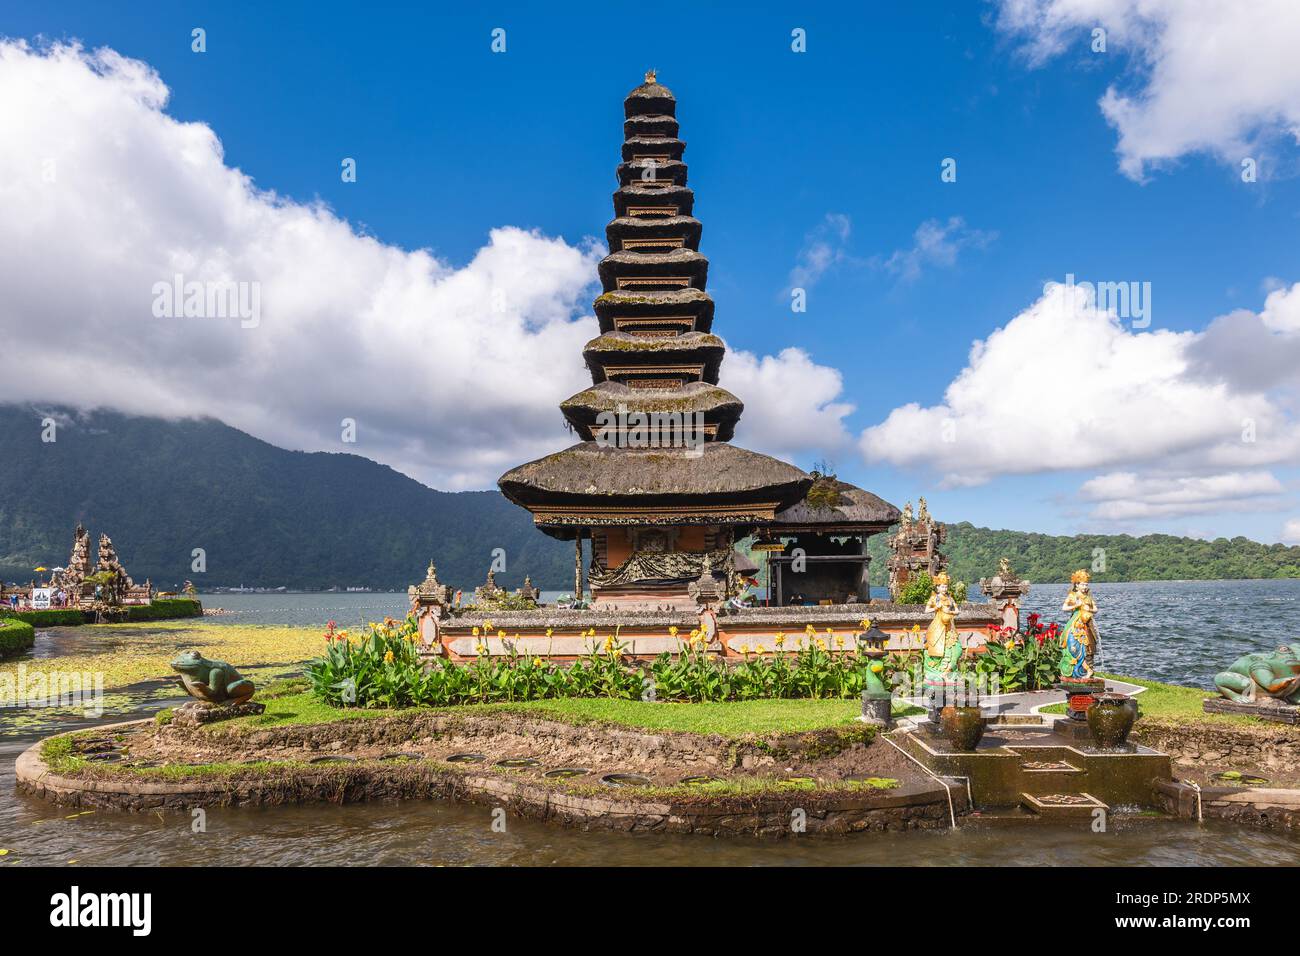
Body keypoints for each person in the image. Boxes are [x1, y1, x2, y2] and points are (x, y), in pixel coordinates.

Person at [1059, 569, 1099, 679]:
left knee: (1088, 647)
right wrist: (1075, 606)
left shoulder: (1088, 597)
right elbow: (1064, 608)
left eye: (1086, 584)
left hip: (1086, 624)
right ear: (1077, 585)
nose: (1085, 586)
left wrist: (1090, 608)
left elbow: (1096, 609)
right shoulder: (1073, 596)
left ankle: (1088, 670)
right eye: (1083, 584)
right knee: (1071, 644)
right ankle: (1075, 670)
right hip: (1075, 624)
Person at [923, 573, 961, 681]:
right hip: (938, 626)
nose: (944, 589)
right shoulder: (934, 598)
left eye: (946, 586)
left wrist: (952, 612)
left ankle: (948, 671)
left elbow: (957, 610)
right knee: (938, 650)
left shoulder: (950, 598)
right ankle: (938, 672)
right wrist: (936, 607)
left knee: (957, 649)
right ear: (938, 587)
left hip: (950, 627)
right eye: (942, 586)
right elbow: (926, 610)